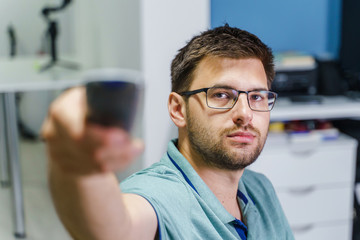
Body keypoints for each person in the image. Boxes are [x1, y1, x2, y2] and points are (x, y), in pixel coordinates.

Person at [41, 24, 294, 240]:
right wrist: (78, 167)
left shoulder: (260, 189)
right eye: (221, 95)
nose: (245, 113)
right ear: (178, 109)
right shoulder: (157, 196)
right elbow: (114, 230)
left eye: (257, 96)